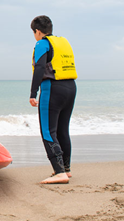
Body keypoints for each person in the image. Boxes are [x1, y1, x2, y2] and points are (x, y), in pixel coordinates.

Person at [29, 15, 77, 184]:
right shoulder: (63, 42)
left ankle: (59, 172)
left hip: (53, 89)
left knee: (48, 131)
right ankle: (66, 169)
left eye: (34, 32)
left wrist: (33, 93)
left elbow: (40, 67)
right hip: (71, 88)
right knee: (63, 129)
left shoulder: (42, 43)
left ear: (38, 31)